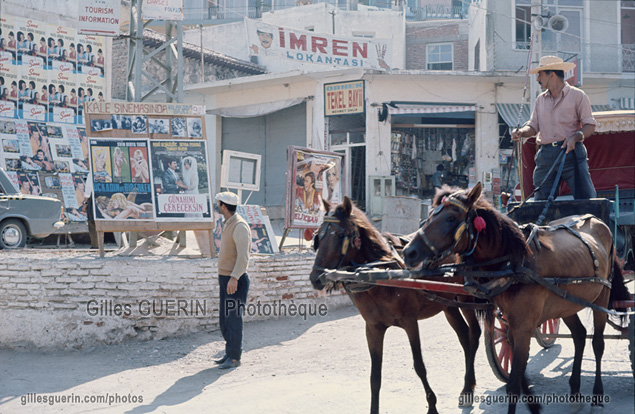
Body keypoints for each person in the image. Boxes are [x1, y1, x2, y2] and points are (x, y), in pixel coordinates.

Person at [512, 56, 597, 200]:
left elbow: (590, 125)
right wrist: (521, 132)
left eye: (540, 74)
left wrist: (575, 137)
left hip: (571, 152)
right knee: (540, 200)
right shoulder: (540, 100)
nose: (538, 79)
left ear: (551, 75)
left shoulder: (578, 96)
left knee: (585, 198)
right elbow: (533, 126)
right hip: (546, 155)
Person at [214, 191, 251, 370]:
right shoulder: (228, 223)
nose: (217, 206)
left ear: (223, 206)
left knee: (233, 319)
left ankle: (235, 357)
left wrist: (234, 277)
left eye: (218, 203)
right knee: (225, 319)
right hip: (226, 278)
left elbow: (244, 257)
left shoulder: (239, 226)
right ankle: (229, 352)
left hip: (234, 280)